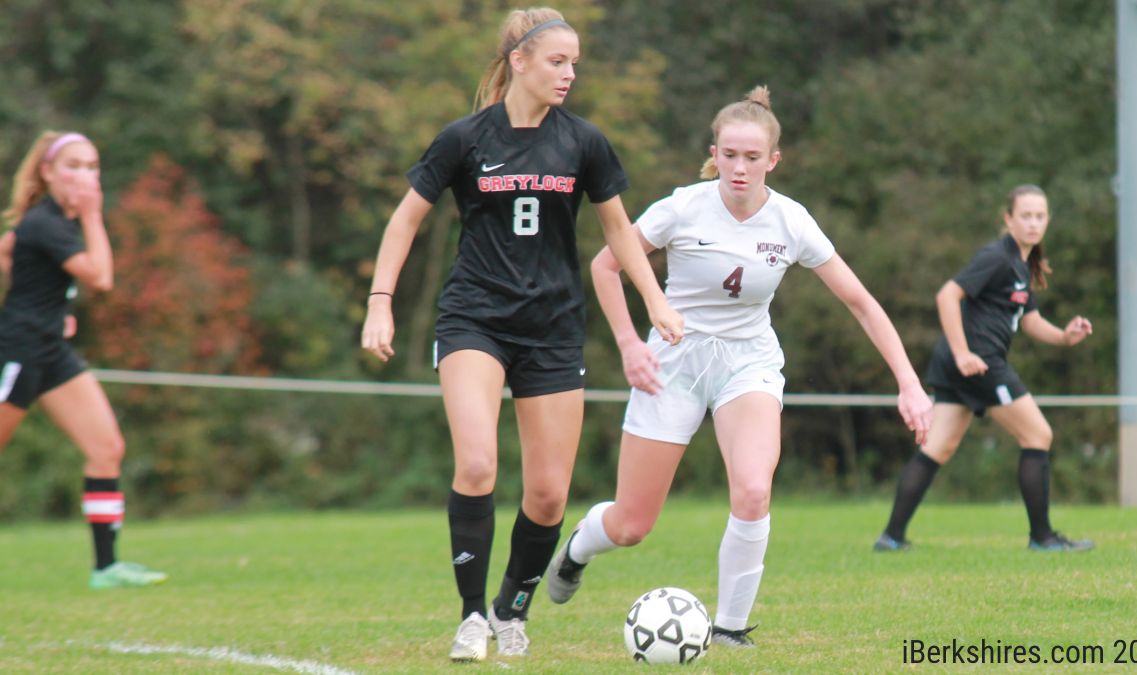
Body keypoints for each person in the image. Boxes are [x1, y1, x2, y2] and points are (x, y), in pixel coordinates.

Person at [543, 86, 933, 648]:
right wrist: (629, 343)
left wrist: (909, 383)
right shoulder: (682, 207)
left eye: (753, 157)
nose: (740, 168)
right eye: (729, 155)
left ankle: (729, 629)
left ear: (774, 160)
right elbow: (606, 266)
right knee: (631, 525)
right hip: (673, 362)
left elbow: (861, 303)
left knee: (753, 490)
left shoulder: (792, 221)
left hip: (748, 362)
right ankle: (579, 547)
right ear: (714, 154)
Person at [360, 7, 683, 663]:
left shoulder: (584, 142)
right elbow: (404, 221)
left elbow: (618, 230)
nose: (569, 74)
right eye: (557, 61)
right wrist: (380, 302)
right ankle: (471, 617)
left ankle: (511, 610)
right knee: (478, 462)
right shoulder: (464, 138)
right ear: (519, 61)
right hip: (474, 319)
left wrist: (655, 298)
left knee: (549, 493)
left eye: (574, 64)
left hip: (554, 328)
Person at [874, 184, 1094, 553]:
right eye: (1026, 215)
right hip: (978, 363)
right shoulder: (997, 257)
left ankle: (891, 538)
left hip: (964, 363)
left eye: (1040, 216)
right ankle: (1043, 539)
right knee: (1038, 435)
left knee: (938, 447)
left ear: (1048, 221)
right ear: (1009, 219)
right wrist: (963, 353)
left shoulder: (1021, 264)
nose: (1033, 223)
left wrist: (1064, 337)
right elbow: (947, 294)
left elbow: (1030, 320)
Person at [0, 131, 167, 589]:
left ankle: (106, 568)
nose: (84, 176)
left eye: (92, 167)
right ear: (48, 173)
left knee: (106, 448)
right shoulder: (47, 223)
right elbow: (101, 276)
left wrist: (52, 311)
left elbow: (8, 253)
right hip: (20, 350)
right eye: (73, 166)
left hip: (52, 351)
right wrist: (94, 216)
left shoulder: (47, 223)